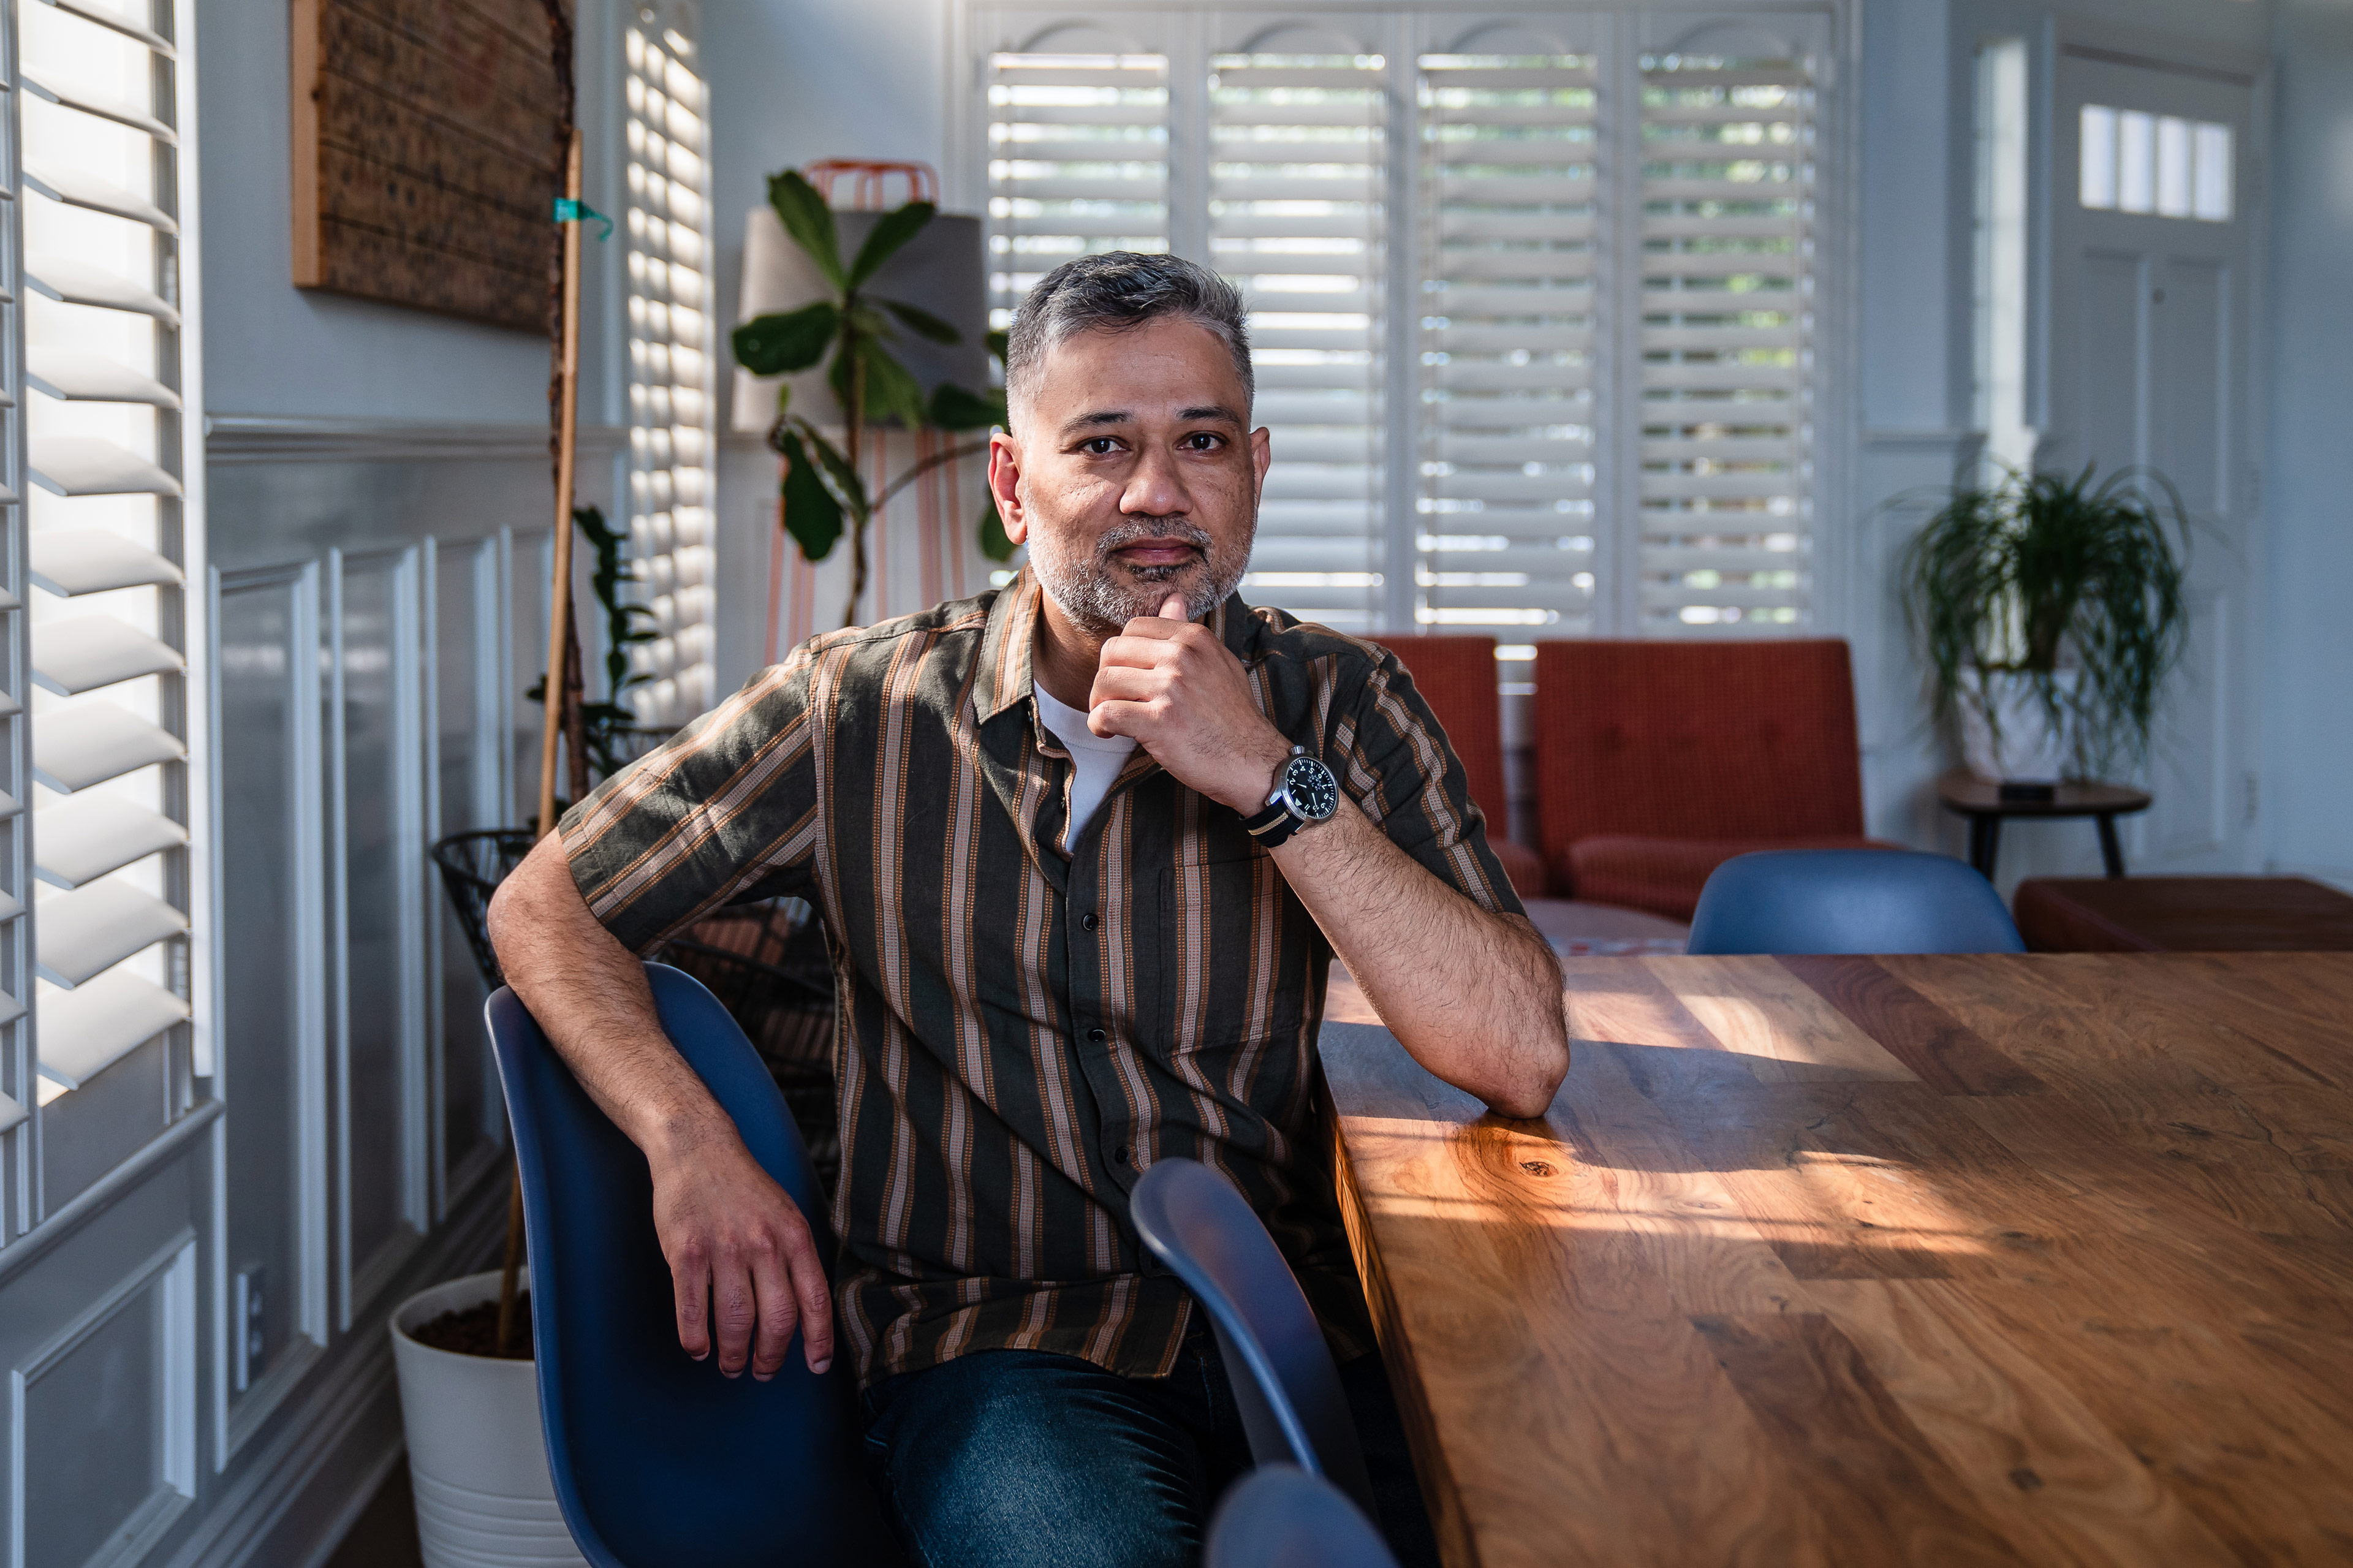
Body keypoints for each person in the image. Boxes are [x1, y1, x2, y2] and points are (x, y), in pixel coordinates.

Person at [486, 251, 1570, 1567]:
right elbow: (549, 902)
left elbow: (1515, 1049)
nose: (1158, 494)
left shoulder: (1344, 700)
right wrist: (689, 1140)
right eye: (1103, 444)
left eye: (1202, 441)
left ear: (1258, 467)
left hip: (1297, 1329)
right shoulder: (861, 707)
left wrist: (1265, 776)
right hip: (1002, 1346)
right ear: (1013, 482)